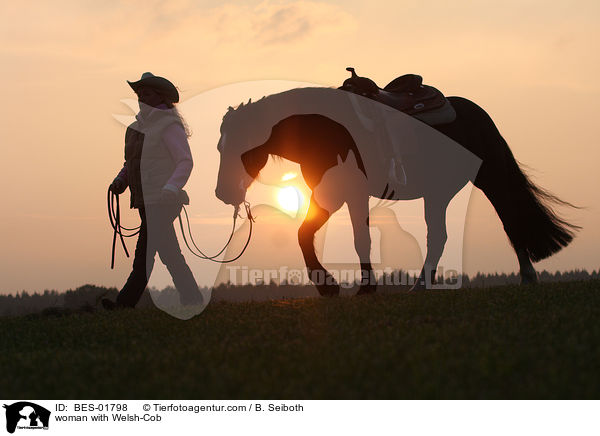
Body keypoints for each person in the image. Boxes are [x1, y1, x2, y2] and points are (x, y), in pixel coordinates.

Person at [103, 72, 203, 310]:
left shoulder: (169, 126)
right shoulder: (135, 128)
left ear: (159, 97)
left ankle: (124, 304)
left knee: (144, 255)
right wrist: (120, 181)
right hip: (145, 200)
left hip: (164, 200)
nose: (141, 97)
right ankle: (193, 299)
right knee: (170, 254)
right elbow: (132, 163)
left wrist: (171, 187)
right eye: (139, 94)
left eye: (146, 93)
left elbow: (185, 161)